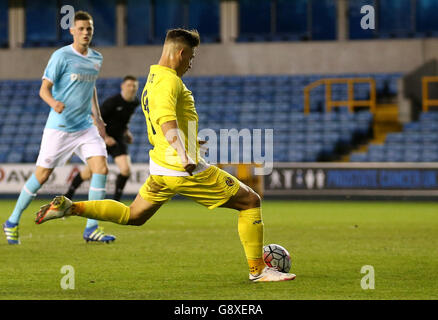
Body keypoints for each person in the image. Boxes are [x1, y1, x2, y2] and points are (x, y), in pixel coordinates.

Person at [34, 28, 296, 282]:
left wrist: (190, 140)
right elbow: (166, 120)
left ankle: (71, 207)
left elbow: (170, 120)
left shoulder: (153, 78)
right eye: (191, 57)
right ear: (181, 53)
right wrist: (183, 153)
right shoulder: (169, 80)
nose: (191, 64)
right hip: (180, 167)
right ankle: (258, 271)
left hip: (161, 167)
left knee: (134, 215)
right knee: (250, 201)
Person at [2, 11, 116, 244]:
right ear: (72, 31)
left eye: (89, 29)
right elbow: (43, 89)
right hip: (60, 128)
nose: (85, 32)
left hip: (85, 127)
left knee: (101, 168)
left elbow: (91, 88)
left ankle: (91, 228)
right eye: (81, 28)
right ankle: (12, 221)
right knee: (42, 176)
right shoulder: (61, 56)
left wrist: (99, 118)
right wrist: (54, 103)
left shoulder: (96, 58)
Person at [64, 75, 140, 201]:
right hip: (101, 137)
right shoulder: (112, 102)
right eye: (129, 85)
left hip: (118, 139)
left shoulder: (135, 102)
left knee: (126, 170)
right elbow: (94, 119)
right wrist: (105, 137)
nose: (131, 88)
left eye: (134, 86)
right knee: (88, 173)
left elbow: (123, 120)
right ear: (122, 86)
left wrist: (127, 132)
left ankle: (116, 202)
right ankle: (68, 195)